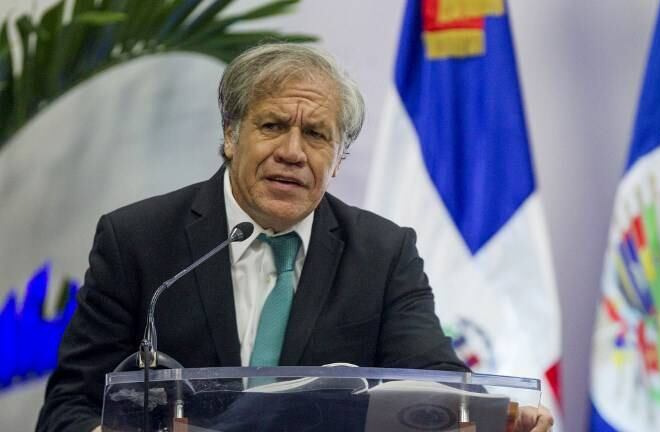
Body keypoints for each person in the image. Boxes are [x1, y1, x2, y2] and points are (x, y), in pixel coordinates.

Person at [36, 43, 553, 432]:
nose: (292, 152)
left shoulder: (383, 253)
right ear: (230, 134)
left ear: (338, 157)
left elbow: (435, 381)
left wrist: (488, 417)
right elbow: (69, 406)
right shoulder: (138, 239)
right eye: (272, 125)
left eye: (316, 134)